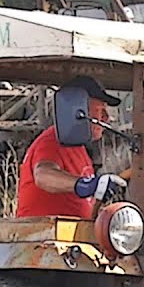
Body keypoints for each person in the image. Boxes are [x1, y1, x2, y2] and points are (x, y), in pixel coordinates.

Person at [16, 77, 126, 219]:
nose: (107, 118)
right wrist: (84, 185)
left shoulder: (79, 147)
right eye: (100, 110)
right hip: (42, 236)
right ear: (78, 113)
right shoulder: (52, 141)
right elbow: (43, 175)